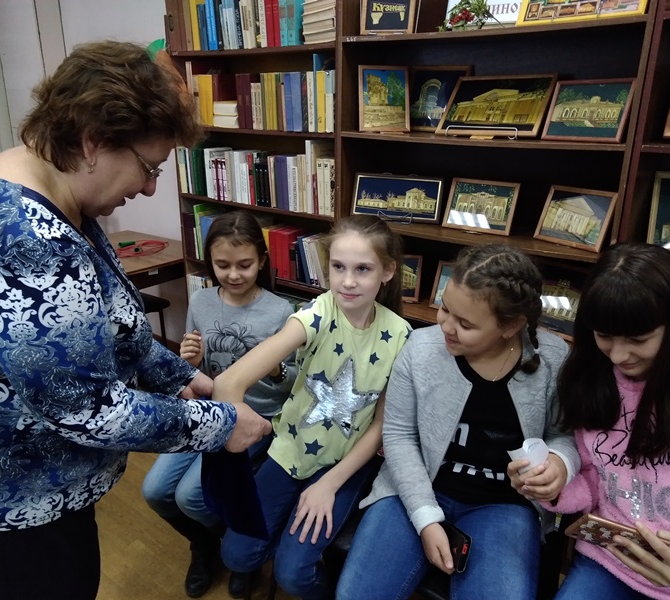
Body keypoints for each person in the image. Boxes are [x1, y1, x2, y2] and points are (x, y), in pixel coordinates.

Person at [0, 41, 270, 600]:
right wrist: (219, 424)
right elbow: (87, 409)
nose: (149, 187)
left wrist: (180, 377)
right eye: (149, 167)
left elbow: (108, 329)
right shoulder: (26, 242)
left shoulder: (48, 186)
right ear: (94, 141)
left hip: (28, 489)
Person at [336, 244, 579, 600]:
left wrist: (560, 463)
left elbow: (564, 436)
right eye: (445, 308)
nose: (446, 326)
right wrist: (425, 517)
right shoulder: (419, 349)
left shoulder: (553, 360)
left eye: (465, 324)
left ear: (511, 326)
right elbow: (399, 436)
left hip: (503, 505)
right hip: (413, 489)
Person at [214, 214, 412, 600]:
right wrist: (232, 445)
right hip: (291, 449)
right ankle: (282, 532)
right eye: (338, 267)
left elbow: (380, 427)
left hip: (345, 464)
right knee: (236, 555)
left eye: (363, 269)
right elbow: (227, 383)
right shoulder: (318, 312)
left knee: (293, 575)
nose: (347, 281)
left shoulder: (400, 335)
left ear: (387, 271)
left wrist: (328, 484)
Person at [142, 210, 297, 598]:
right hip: (208, 410)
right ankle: (206, 544)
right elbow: (195, 371)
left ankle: (238, 551)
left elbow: (293, 384)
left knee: (190, 496)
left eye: (244, 265)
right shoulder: (201, 300)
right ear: (209, 262)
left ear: (262, 261)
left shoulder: (281, 311)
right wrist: (190, 361)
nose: (233, 275)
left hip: (253, 416)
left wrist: (276, 368)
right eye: (222, 265)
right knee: (155, 491)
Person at [546, 242, 670, 600]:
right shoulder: (592, 381)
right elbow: (595, 478)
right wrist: (554, 487)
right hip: (610, 561)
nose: (618, 355)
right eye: (604, 336)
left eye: (638, 339)